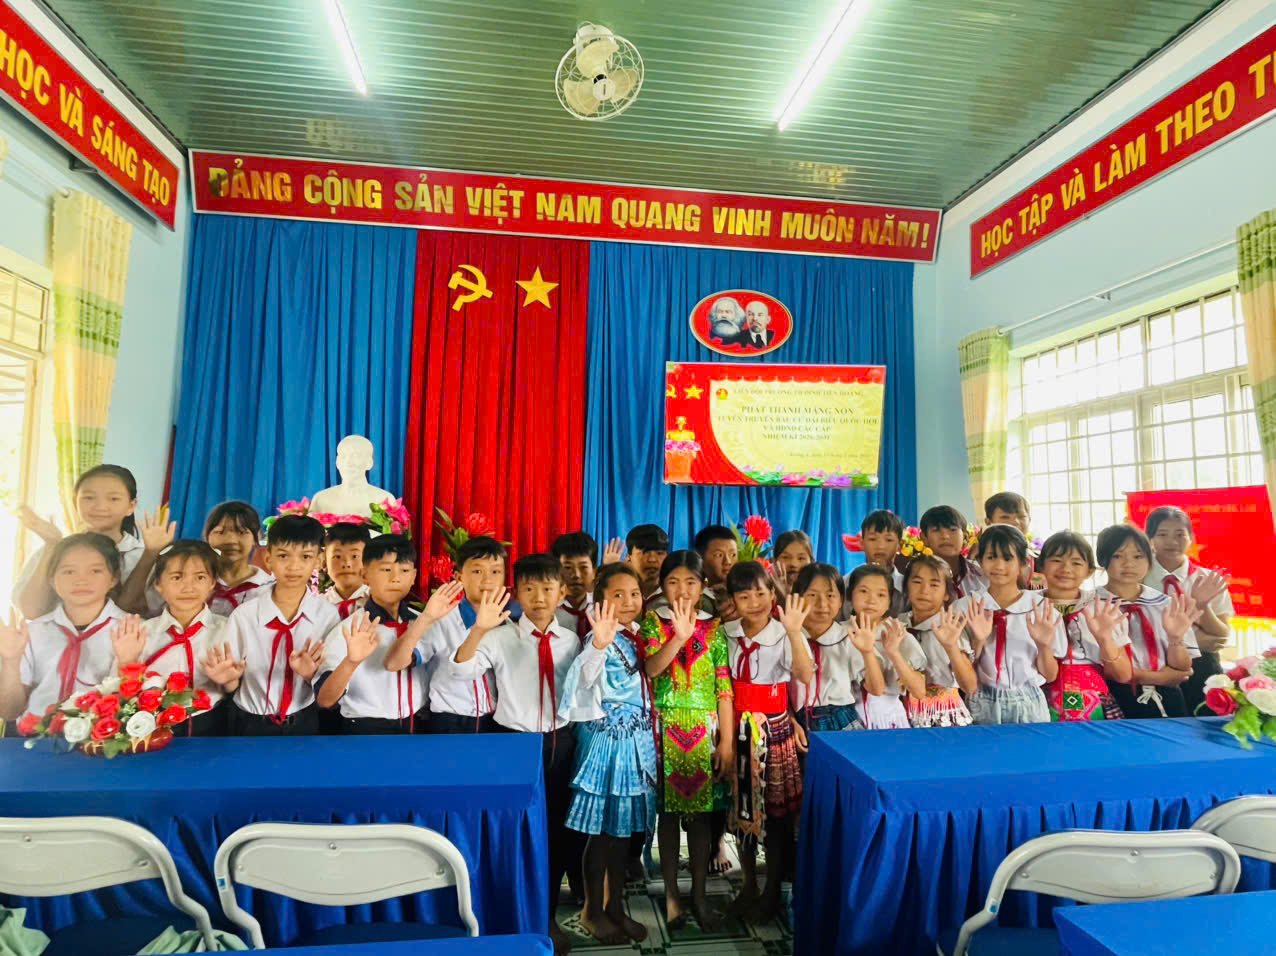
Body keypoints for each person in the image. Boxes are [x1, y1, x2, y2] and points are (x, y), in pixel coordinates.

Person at [449, 553, 582, 955]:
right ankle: (512, 915)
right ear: (517, 593)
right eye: (529, 589)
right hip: (513, 744)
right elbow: (460, 669)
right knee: (515, 833)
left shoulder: (571, 639)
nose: (538, 597)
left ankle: (547, 917)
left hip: (560, 741)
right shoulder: (499, 636)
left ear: (562, 592)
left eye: (547, 588)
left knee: (556, 832)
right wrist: (479, 629)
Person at [557, 564, 656, 946]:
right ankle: (591, 910)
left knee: (622, 833)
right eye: (618, 595)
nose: (629, 601)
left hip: (635, 742)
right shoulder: (599, 638)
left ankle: (615, 907)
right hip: (608, 744)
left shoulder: (637, 635)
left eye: (634, 593)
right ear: (600, 602)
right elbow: (584, 679)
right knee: (600, 834)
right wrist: (598, 644)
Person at [640, 550, 733, 932]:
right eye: (673, 582)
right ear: (662, 586)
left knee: (700, 820)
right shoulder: (651, 623)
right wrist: (678, 637)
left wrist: (726, 743)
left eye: (690, 582)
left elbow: (723, 688)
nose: (682, 590)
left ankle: (699, 894)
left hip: (703, 734)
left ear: (703, 586)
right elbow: (651, 668)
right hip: (663, 731)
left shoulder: (715, 629)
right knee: (667, 818)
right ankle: (671, 895)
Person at [722, 561, 812, 925]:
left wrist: (794, 633)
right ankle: (749, 884)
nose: (755, 602)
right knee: (740, 811)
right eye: (744, 596)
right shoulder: (725, 633)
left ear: (773, 594)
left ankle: (772, 890)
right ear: (732, 600)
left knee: (775, 817)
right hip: (734, 729)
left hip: (773, 731)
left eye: (761, 593)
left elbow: (804, 674)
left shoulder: (784, 632)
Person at [0, 533, 138, 726]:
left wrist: (127, 662)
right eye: (68, 572)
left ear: (114, 578)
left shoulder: (133, 630)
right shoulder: (32, 632)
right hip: (35, 737)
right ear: (52, 580)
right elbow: (9, 711)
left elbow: (137, 711)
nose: (81, 580)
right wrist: (11, 661)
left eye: (95, 571)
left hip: (104, 738)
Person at [218, 515, 335, 736]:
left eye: (305, 556)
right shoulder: (245, 615)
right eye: (283, 556)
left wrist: (311, 675)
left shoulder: (327, 616)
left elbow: (328, 678)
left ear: (319, 561)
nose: (293, 566)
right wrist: (227, 681)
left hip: (304, 719)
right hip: (248, 720)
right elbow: (230, 677)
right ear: (268, 558)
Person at [317, 535, 442, 734]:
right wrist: (351, 661)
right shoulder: (350, 629)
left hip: (417, 727)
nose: (395, 578)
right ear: (364, 574)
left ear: (414, 576)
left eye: (404, 570)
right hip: (367, 729)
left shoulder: (424, 622)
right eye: (385, 569)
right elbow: (325, 700)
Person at [954, 525, 1064, 724]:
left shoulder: (1042, 611)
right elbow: (963, 677)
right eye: (991, 557)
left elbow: (1050, 676)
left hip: (1029, 701)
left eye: (1007, 558)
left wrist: (1043, 645)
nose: (998, 566)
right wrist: (979, 641)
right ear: (980, 560)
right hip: (981, 700)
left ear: (1023, 562)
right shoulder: (966, 608)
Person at [14, 465, 146, 620]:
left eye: (113, 499)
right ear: (74, 502)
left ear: (131, 506)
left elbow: (146, 612)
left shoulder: (142, 555)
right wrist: (51, 545)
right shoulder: (54, 548)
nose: (100, 506)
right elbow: (30, 611)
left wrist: (151, 553)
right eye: (89, 498)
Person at [400, 535, 503, 734]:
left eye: (496, 571)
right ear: (458, 577)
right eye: (477, 571)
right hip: (450, 721)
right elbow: (406, 659)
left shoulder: (506, 622)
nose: (488, 579)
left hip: (493, 721)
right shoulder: (441, 620)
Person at [1096, 524, 1201, 719]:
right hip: (1111, 698)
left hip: (1168, 697)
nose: (1129, 564)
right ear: (1102, 559)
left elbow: (1184, 668)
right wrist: (1160, 677)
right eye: (1118, 556)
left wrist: (1175, 639)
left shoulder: (1166, 604)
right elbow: (1096, 668)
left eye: (1138, 556)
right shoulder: (1092, 605)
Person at [125, 540, 228, 735]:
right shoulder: (142, 632)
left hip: (214, 723)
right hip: (152, 725)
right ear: (158, 584)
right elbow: (124, 686)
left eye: (200, 577)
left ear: (212, 583)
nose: (188, 587)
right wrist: (126, 661)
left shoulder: (228, 628)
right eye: (177, 577)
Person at [1144, 506, 1233, 715]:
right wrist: (1196, 642)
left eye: (1180, 534)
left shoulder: (1208, 579)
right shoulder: (1139, 578)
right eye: (1162, 534)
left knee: (1207, 723)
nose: (1172, 542)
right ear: (1150, 539)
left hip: (1203, 668)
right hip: (1154, 668)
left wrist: (1202, 606)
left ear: (1191, 538)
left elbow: (1221, 635)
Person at [1036, 531, 1131, 721]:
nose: (1066, 568)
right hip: (1038, 703)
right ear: (1041, 565)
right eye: (1056, 560)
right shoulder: (1026, 608)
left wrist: (1105, 640)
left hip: (1094, 704)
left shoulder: (1104, 610)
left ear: (1090, 571)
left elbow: (1123, 675)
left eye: (1076, 563)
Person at [788, 562, 884, 733]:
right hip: (796, 721)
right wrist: (790, 718)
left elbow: (877, 689)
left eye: (830, 595)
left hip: (840, 718)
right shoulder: (787, 636)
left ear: (841, 601)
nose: (822, 604)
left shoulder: (850, 637)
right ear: (797, 598)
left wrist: (867, 652)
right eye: (812, 595)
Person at [899, 555, 976, 726]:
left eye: (934, 585)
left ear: (947, 594)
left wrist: (951, 646)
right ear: (906, 587)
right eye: (917, 582)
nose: (924, 591)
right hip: (902, 713)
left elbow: (969, 686)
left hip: (943, 715)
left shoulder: (951, 626)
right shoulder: (897, 625)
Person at [849, 564, 926, 729]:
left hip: (889, 718)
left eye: (881, 595)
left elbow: (919, 692)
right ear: (850, 595)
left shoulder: (897, 633)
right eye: (863, 591)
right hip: (848, 719)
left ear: (889, 602)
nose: (871, 600)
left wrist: (893, 653)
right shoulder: (840, 633)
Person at [203, 501, 273, 616]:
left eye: (241, 532)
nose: (231, 540)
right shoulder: (194, 582)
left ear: (256, 537)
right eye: (220, 532)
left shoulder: (269, 589)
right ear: (207, 537)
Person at [920, 505, 987, 600]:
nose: (945, 536)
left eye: (952, 530)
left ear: (965, 537)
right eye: (936, 530)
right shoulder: (916, 575)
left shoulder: (982, 574)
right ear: (924, 538)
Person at [847, 510, 906, 619]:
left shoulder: (907, 587)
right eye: (872, 539)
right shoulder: (846, 583)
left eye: (889, 540)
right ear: (861, 543)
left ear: (899, 545)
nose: (880, 546)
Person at [551, 531, 607, 637]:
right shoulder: (548, 608)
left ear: (594, 571)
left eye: (583, 567)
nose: (576, 575)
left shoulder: (602, 605)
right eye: (567, 568)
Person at [985, 492, 1042, 589]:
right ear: (988, 521)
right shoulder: (979, 562)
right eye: (1005, 517)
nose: (1015, 522)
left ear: (1029, 520)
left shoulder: (1039, 561)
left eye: (1021, 517)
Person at [321, 522, 371, 619]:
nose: (346, 564)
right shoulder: (317, 607)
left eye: (355, 556)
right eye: (337, 556)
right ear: (324, 562)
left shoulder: (381, 603)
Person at [626, 524, 669, 602]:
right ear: (628, 556)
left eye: (659, 553)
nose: (652, 559)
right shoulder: (619, 592)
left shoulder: (673, 596)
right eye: (645, 552)